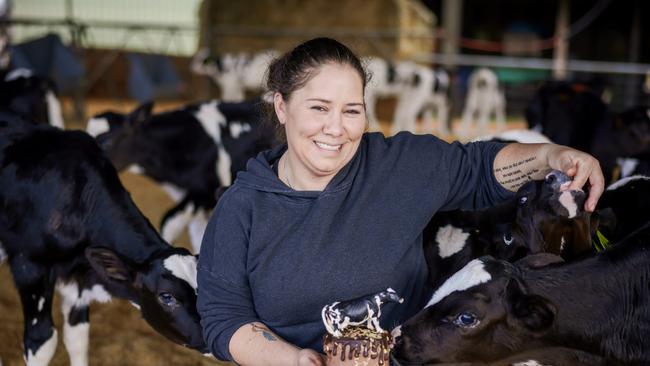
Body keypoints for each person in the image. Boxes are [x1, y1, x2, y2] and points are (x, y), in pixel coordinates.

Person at [197, 37, 604, 366]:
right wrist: (295, 360)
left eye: (352, 111)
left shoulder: (399, 165)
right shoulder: (243, 207)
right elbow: (223, 316)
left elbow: (478, 168)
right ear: (282, 107)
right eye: (319, 108)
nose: (336, 128)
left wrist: (551, 156)